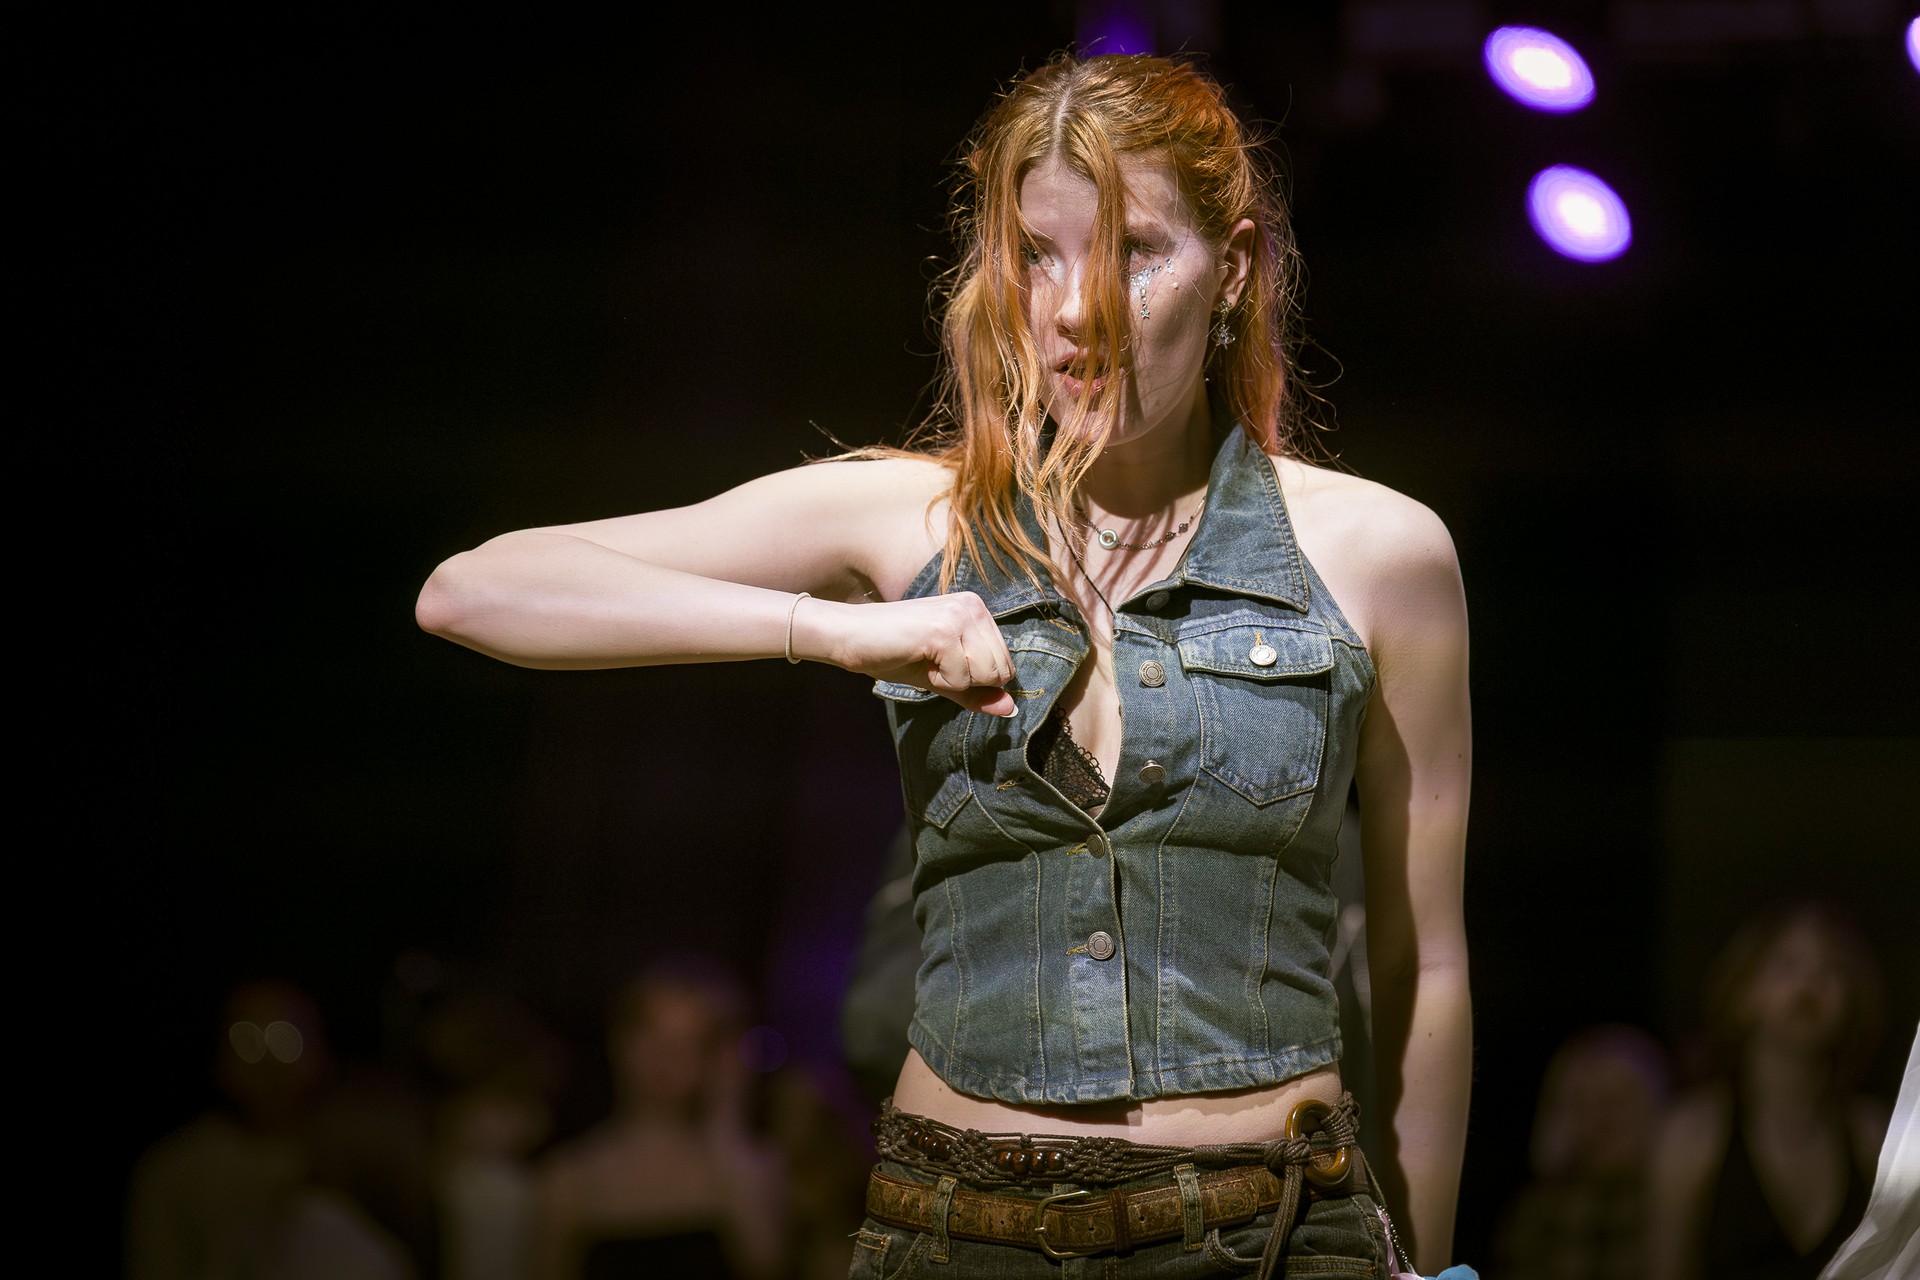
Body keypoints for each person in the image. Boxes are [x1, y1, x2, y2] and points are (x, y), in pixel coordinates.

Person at [418, 52, 1472, 1278]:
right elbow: (472, 590)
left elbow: (1423, 963)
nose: (1076, 308)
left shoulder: (1378, 553)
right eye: (1037, 254)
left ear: (1232, 268)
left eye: (1135, 252)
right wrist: (841, 629)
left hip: (1277, 1231)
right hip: (958, 1230)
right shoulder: (911, 519)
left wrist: (1428, 1262)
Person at [1648, 902, 1890, 1280]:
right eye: (1787, 965)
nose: (1808, 984)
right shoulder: (1693, 1137)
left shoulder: (1874, 1139)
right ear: (1744, 994)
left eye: (1831, 970)